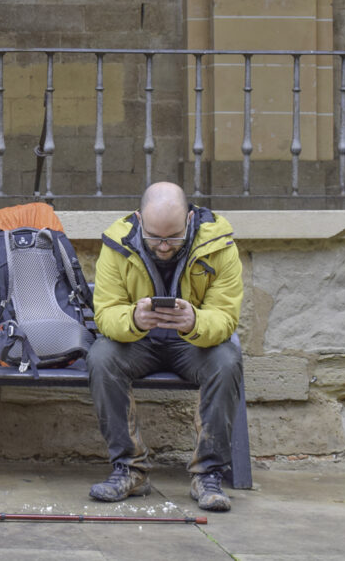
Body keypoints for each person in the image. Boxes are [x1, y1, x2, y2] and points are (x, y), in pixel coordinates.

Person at [87, 181, 243, 512]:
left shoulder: (218, 244)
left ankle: (208, 474)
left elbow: (226, 317)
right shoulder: (117, 243)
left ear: (189, 219)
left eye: (172, 237)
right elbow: (105, 313)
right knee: (101, 357)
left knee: (227, 360)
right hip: (139, 341)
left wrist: (195, 321)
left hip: (193, 343)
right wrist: (133, 318)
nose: (163, 247)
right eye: (155, 237)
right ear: (139, 218)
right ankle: (130, 469)